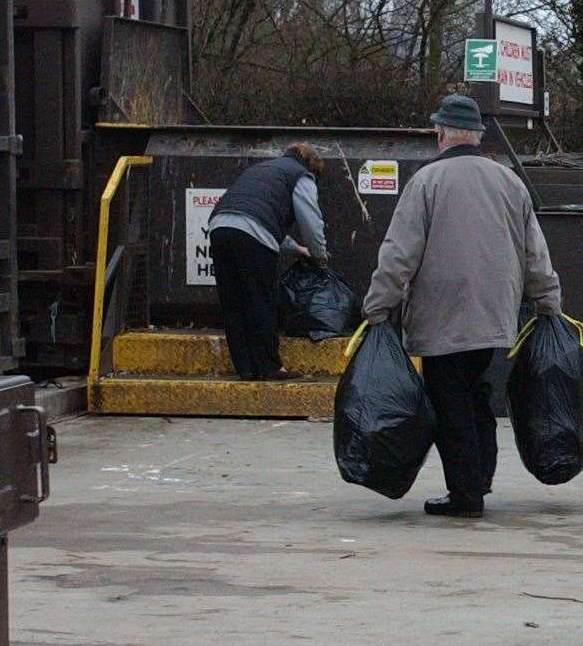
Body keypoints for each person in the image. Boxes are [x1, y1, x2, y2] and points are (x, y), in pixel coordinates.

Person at [362, 94, 562, 519]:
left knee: (450, 402)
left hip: (443, 316)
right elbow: (535, 253)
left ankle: (465, 494)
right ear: (478, 135)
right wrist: (549, 302)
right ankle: (478, 481)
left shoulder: (426, 183)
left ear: (440, 134)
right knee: (479, 396)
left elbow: (399, 253)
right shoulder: (510, 182)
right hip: (496, 315)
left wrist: (378, 307)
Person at [208, 142, 328, 380]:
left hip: (219, 227)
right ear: (311, 165)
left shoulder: (263, 169)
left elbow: (257, 213)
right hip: (252, 233)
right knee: (260, 300)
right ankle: (270, 367)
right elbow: (311, 221)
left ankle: (245, 368)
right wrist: (319, 254)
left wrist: (294, 248)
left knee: (233, 303)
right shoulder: (301, 175)